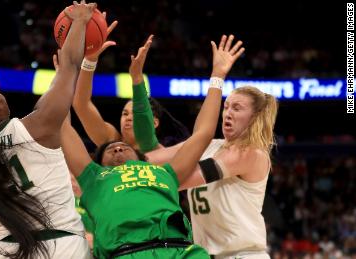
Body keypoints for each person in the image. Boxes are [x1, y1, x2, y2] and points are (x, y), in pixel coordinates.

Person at [61, 35, 244, 259]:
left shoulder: (161, 163)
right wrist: (71, 72)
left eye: (134, 113)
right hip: (129, 251)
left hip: (182, 250)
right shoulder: (98, 170)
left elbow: (202, 133)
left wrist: (217, 76)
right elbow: (67, 121)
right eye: (123, 113)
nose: (117, 148)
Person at [0, 5, 95, 259]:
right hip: (63, 248)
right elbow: (69, 64)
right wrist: (80, 20)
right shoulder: (36, 128)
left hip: (4, 252)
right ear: (0, 104)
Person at [147, 35, 278, 259]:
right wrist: (117, 165)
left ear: (255, 117)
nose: (227, 113)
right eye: (226, 107)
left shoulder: (251, 153)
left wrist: (132, 182)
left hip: (243, 255)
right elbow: (151, 158)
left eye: (237, 108)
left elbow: (181, 179)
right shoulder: (212, 145)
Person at [69, 28, 189, 153]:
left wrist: (137, 78)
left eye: (135, 114)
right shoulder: (112, 140)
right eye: (125, 114)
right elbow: (80, 104)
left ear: (154, 123)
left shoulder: (164, 155)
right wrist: (90, 60)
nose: (128, 118)